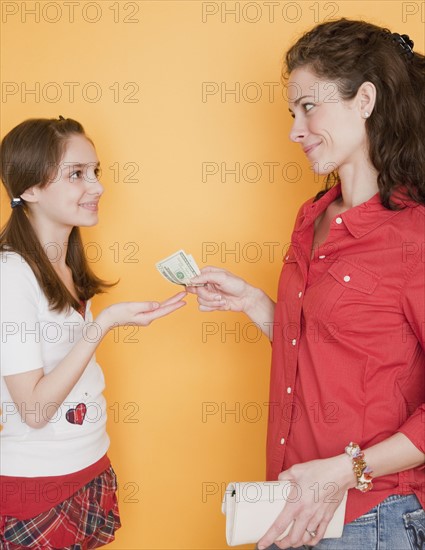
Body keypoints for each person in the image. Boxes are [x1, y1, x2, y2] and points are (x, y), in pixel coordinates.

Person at [188, 18, 425, 549]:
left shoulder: (416, 234)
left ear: (364, 100)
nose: (294, 129)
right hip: (291, 508)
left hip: (373, 520)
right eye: (291, 112)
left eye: (308, 107)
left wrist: (346, 470)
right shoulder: (311, 216)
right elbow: (325, 350)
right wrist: (253, 303)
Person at [0, 117, 186, 549]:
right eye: (77, 174)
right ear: (28, 189)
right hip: (37, 490)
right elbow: (33, 409)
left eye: (96, 172)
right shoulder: (11, 274)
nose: (98, 186)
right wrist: (102, 325)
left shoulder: (66, 266)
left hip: (87, 471)